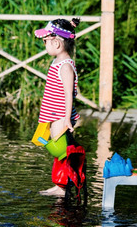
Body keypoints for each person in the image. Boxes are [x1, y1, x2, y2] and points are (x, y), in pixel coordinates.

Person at [34, 18, 81, 196]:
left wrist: (67, 119)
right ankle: (60, 185)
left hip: (62, 116)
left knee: (60, 150)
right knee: (57, 151)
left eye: (45, 41)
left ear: (57, 43)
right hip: (55, 114)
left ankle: (63, 187)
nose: (44, 44)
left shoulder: (66, 66)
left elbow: (69, 94)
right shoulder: (58, 62)